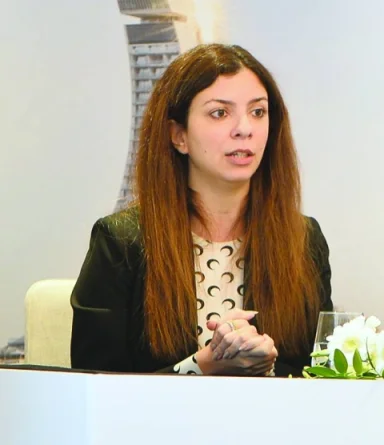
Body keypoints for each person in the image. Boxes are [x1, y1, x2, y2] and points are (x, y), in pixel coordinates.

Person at [70, 43, 332, 377]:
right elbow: (95, 387)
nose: (244, 129)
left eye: (258, 112)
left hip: (270, 413)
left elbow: (319, 377)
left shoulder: (303, 240)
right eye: (220, 113)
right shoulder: (121, 242)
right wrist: (203, 365)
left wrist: (264, 366)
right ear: (178, 136)